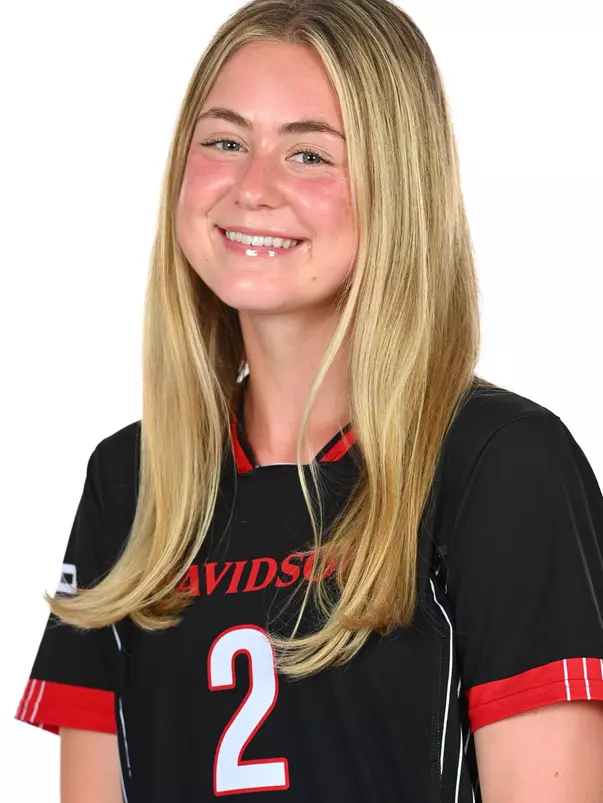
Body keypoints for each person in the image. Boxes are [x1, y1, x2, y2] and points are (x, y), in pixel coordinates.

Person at [14, 0, 603, 800]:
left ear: (398, 187)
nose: (252, 188)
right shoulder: (131, 479)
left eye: (309, 155)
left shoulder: (499, 464)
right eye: (224, 142)